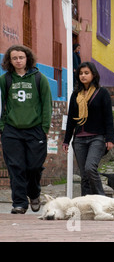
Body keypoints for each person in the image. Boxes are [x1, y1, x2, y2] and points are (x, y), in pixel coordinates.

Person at [0, 45, 52, 214]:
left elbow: (47, 104)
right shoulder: (5, 80)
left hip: (35, 130)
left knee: (34, 167)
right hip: (12, 130)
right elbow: (0, 105)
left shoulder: (39, 78)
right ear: (9, 60)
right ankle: (19, 203)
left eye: (21, 57)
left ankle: (34, 193)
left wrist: (45, 127)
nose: (18, 61)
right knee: (16, 167)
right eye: (14, 58)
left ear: (27, 58)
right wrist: (2, 127)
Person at [63, 62, 114, 196]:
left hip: (97, 137)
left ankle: (101, 199)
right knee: (84, 175)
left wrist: (110, 139)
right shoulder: (76, 95)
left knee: (90, 168)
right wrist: (66, 140)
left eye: (86, 73)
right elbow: (71, 120)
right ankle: (86, 203)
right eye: (80, 73)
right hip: (79, 139)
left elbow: (108, 117)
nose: (83, 76)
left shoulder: (102, 93)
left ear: (93, 74)